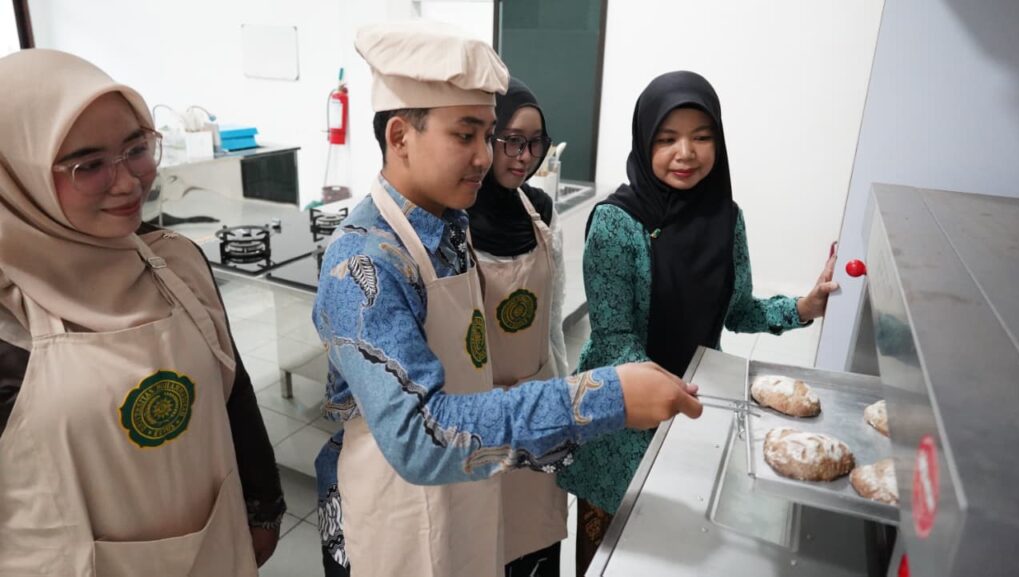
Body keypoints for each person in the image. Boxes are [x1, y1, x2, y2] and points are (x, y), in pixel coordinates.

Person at [312, 22, 702, 577]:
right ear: (399, 136)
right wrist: (601, 397)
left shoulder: (450, 227)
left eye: (487, 135)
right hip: (390, 511)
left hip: (462, 494)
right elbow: (419, 436)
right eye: (465, 135)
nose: (483, 157)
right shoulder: (365, 263)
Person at [0, 49, 285, 576]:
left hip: (215, 544)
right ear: (17, 178)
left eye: (136, 149)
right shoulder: (7, 318)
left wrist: (263, 503)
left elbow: (233, 391)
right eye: (89, 165)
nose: (129, 181)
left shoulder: (175, 260)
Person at [555, 71, 839, 575]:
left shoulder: (727, 218)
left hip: (694, 414)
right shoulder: (616, 224)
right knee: (612, 558)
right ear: (645, 142)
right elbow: (616, 341)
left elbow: (738, 310)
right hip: (622, 419)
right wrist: (677, 399)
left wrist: (803, 308)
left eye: (701, 137)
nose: (685, 153)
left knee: (680, 552)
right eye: (667, 139)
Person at [468, 77, 568, 576]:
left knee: (534, 540)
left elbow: (553, 321)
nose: (524, 156)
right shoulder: (456, 220)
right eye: (511, 140)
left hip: (539, 407)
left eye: (534, 143)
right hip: (479, 412)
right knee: (483, 541)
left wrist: (563, 399)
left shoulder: (540, 212)